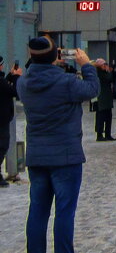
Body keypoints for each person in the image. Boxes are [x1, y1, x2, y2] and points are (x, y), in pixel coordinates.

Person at [17, 37, 100, 253]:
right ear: (56, 57)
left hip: (37, 156)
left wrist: (50, 61)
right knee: (64, 211)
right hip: (66, 156)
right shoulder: (67, 83)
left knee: (37, 211)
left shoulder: (23, 83)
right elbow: (92, 89)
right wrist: (87, 65)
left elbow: (38, 71)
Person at [0, 56, 22, 188]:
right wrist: (16, 77)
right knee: (2, 146)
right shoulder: (1, 82)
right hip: (2, 120)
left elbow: (4, 86)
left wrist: (10, 76)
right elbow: (14, 92)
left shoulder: (2, 81)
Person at [92, 59, 115, 142]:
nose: (106, 66)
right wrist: (109, 71)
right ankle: (100, 134)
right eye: (104, 64)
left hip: (106, 98)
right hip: (102, 99)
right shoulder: (100, 74)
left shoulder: (100, 73)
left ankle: (107, 134)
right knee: (101, 117)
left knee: (108, 117)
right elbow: (108, 78)